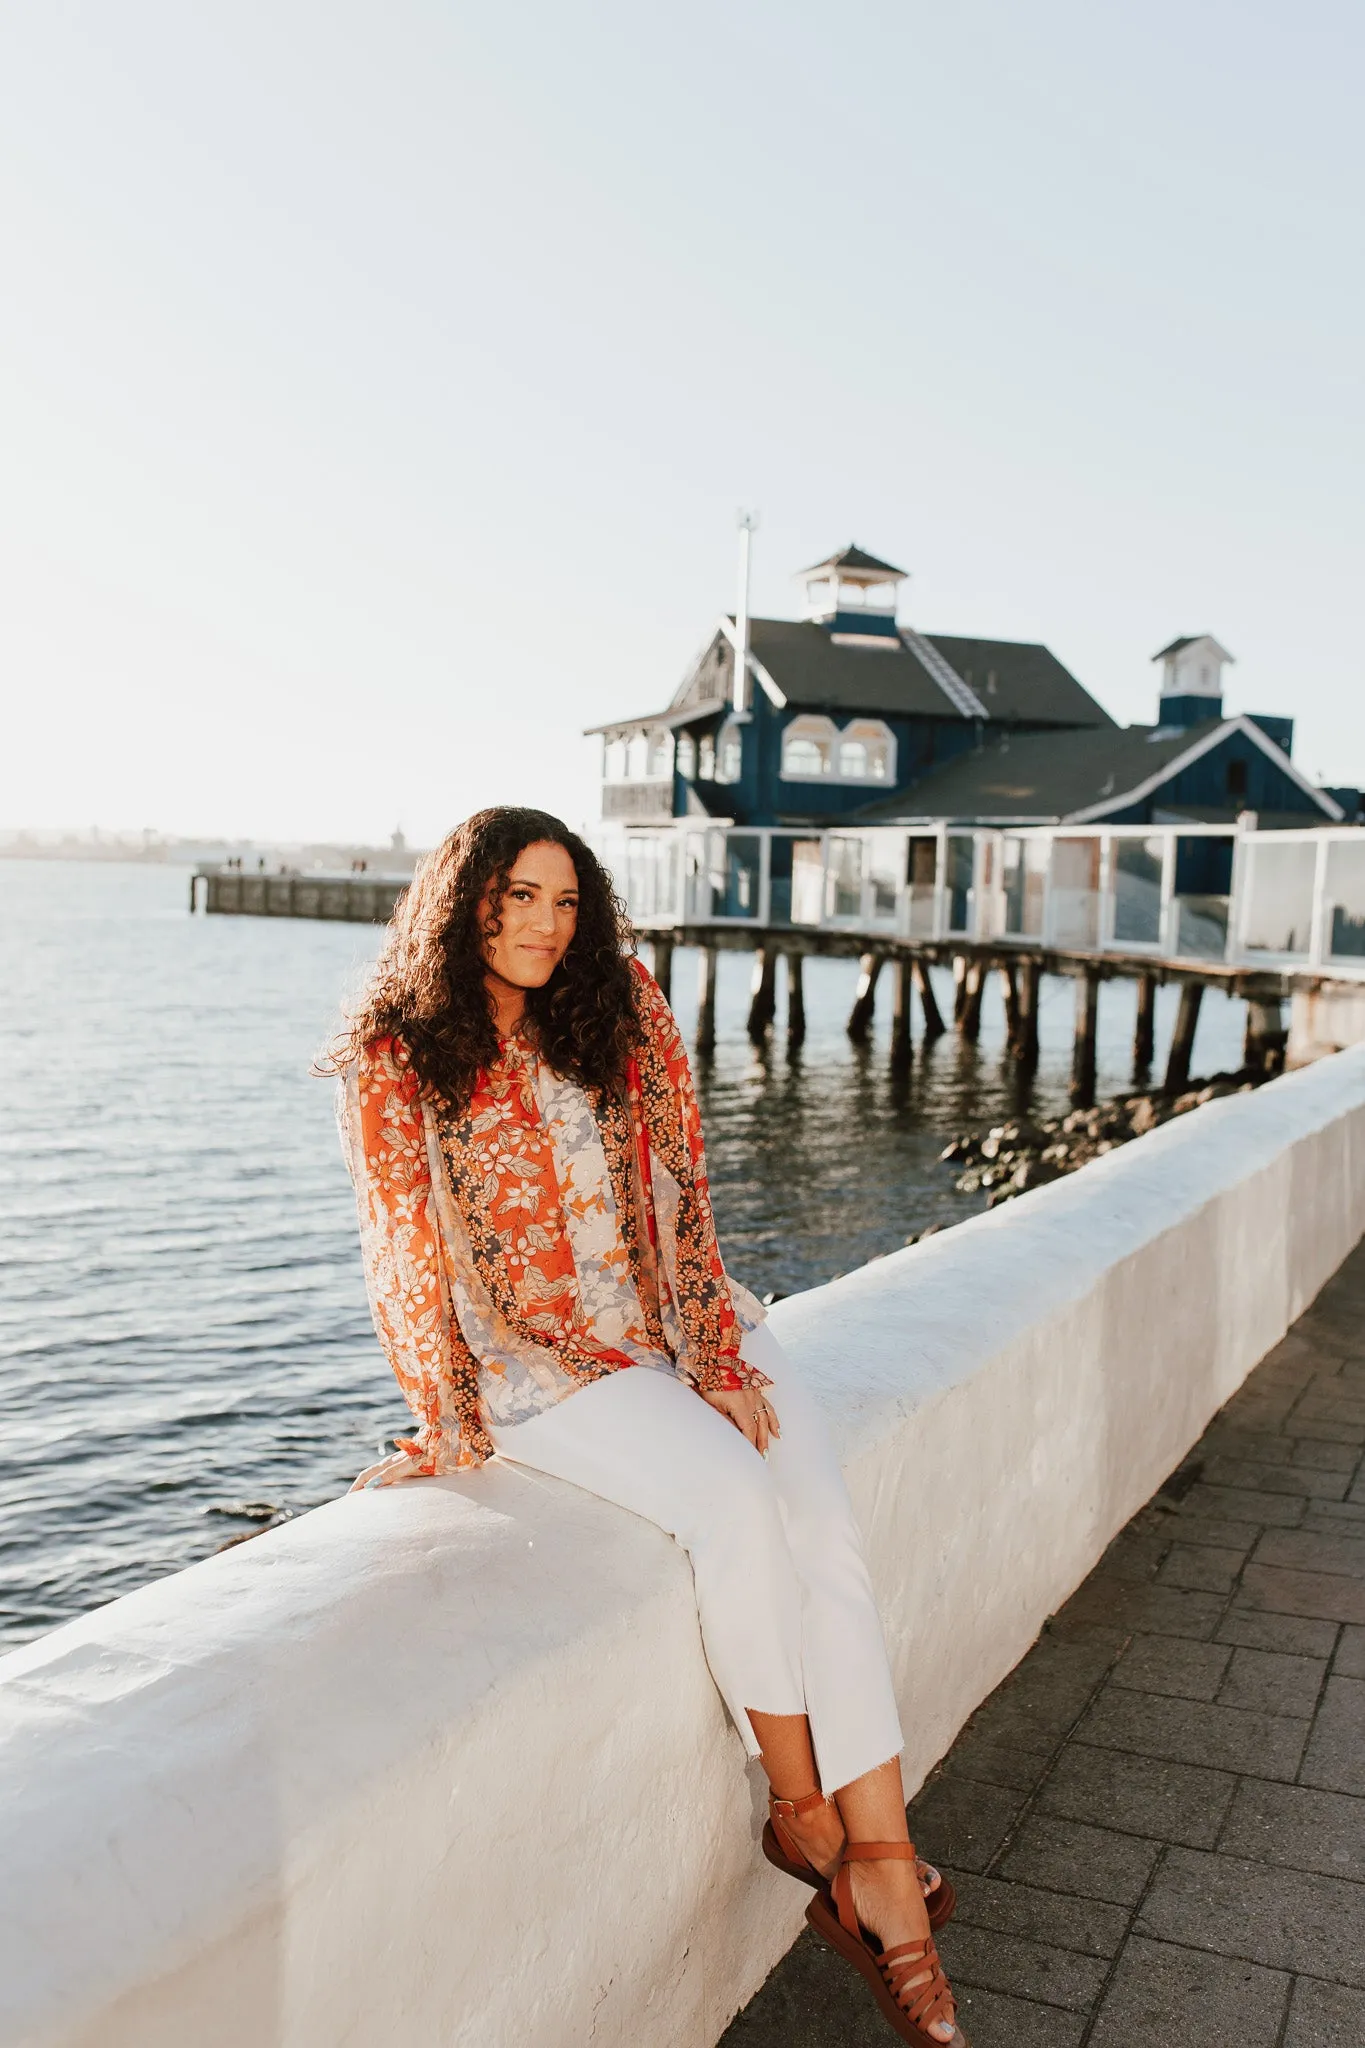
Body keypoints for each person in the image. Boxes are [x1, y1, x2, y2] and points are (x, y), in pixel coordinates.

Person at [328, 806, 967, 2047]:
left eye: (566, 901)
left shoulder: (621, 996)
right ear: (464, 899)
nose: (544, 925)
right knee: (733, 1504)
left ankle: (880, 1847)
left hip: (682, 1308)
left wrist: (715, 1349)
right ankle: (803, 1814)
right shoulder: (396, 1047)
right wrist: (445, 1421)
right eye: (518, 896)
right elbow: (402, 1252)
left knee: (819, 1514)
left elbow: (685, 1166)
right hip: (542, 1362)